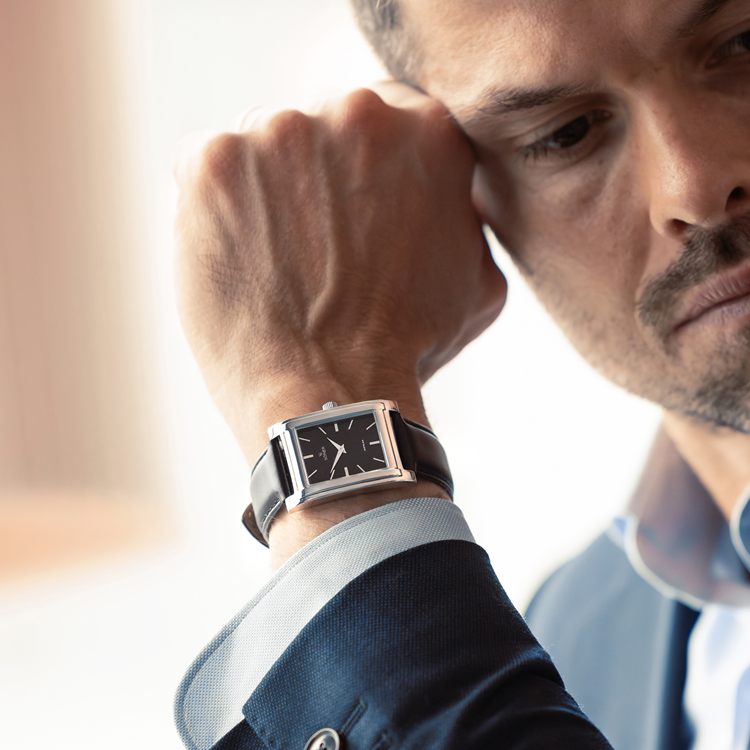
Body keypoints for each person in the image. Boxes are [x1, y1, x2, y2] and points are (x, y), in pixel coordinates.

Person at [172, 0, 750, 748]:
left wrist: (327, 412)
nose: (693, 186)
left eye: (741, 43)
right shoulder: (569, 636)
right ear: (453, 198)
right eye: (565, 134)